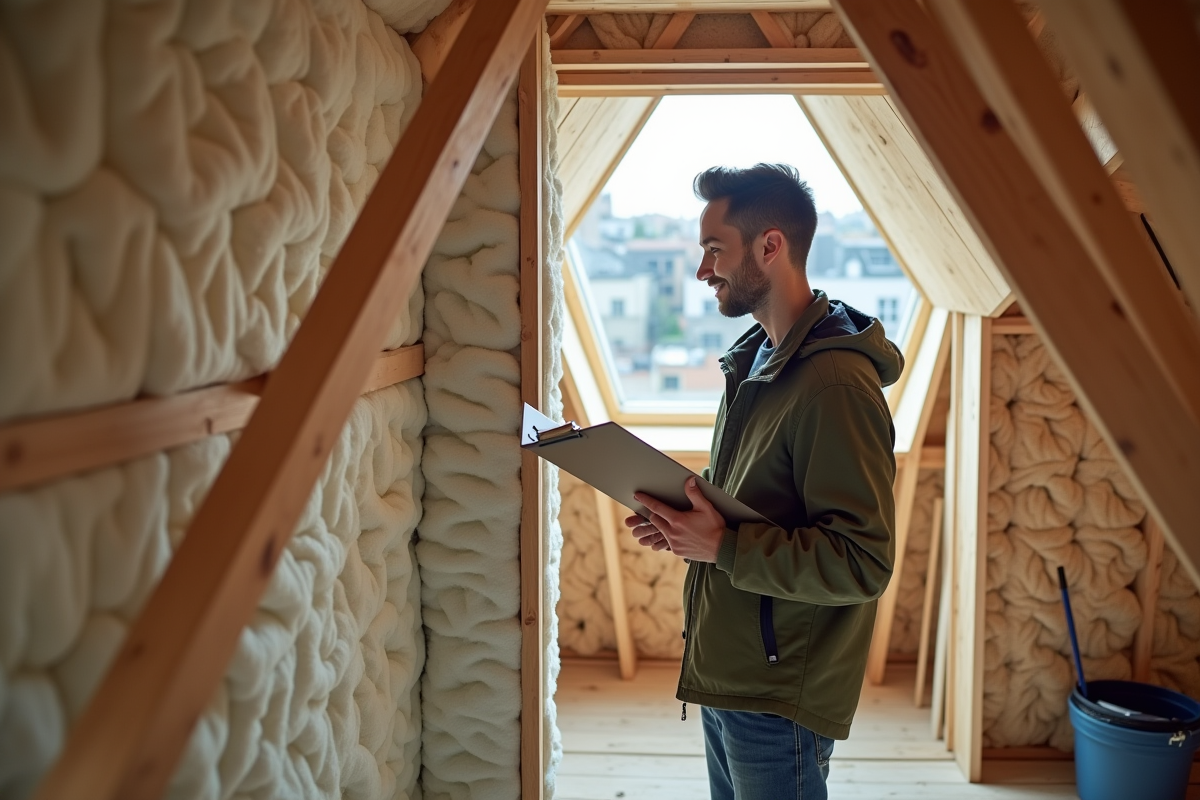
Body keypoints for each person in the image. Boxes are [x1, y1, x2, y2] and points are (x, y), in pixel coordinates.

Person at [624, 163, 903, 800]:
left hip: (777, 698)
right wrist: (688, 522)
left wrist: (722, 546)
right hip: (728, 672)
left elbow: (862, 563)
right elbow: (757, 499)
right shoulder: (755, 362)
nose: (703, 270)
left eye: (714, 249)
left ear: (770, 245)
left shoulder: (834, 386)